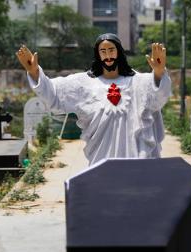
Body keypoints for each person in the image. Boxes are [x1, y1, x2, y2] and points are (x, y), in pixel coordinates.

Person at [16, 33, 171, 165]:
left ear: (119, 52)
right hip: (101, 157)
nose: (108, 55)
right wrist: (35, 72)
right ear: (98, 55)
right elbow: (54, 94)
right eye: (103, 51)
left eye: (111, 50)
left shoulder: (139, 82)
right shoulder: (83, 83)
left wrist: (158, 72)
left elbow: (158, 98)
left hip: (135, 158)